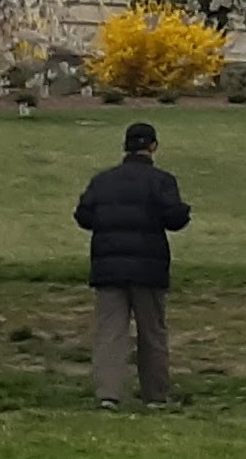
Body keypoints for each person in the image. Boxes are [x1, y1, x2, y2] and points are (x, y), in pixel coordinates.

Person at [74, 120, 190, 410]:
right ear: (153, 147)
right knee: (152, 332)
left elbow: (84, 216)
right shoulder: (161, 181)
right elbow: (175, 219)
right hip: (148, 268)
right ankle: (155, 395)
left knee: (110, 333)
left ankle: (108, 395)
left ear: (125, 147)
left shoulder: (103, 181)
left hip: (108, 266)